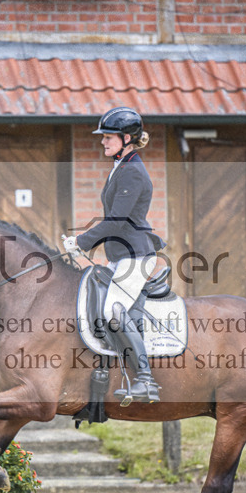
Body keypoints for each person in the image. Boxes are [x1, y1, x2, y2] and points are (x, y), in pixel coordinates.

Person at [63, 107, 166, 405]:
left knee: (114, 311)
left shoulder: (132, 171)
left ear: (126, 138)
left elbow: (117, 221)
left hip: (135, 256)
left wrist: (82, 241)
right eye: (103, 137)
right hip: (121, 255)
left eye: (108, 137)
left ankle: (146, 380)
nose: (103, 141)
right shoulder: (122, 166)